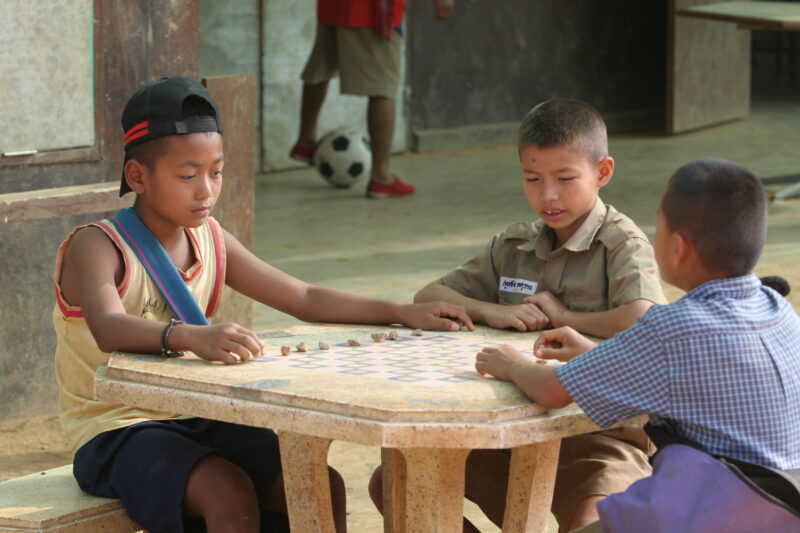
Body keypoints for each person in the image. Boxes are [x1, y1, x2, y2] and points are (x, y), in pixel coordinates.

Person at [53, 76, 473, 533]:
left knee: (315, 484)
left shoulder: (211, 239)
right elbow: (109, 327)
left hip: (197, 414)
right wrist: (194, 336)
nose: (206, 190)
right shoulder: (97, 245)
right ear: (138, 176)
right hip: (115, 430)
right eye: (187, 175)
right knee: (226, 491)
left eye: (216, 172)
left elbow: (305, 298)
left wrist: (400, 311)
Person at [368, 98, 667, 531]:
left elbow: (642, 318)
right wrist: (493, 310)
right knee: (401, 485)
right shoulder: (515, 245)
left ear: (602, 173)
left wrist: (567, 317)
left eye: (565, 179)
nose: (547, 195)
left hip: (598, 435)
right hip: (506, 431)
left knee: (598, 522)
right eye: (532, 178)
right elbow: (429, 293)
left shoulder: (620, 243)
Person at [476, 158, 800, 532]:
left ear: (678, 247)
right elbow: (686, 374)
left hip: (710, 510)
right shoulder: (778, 308)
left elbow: (551, 390)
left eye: (659, 225)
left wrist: (512, 364)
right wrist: (595, 355)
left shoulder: (672, 327)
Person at [289, 0, 455, 198]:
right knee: (383, 86)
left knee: (322, 64)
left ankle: (305, 141)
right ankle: (381, 176)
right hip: (374, 9)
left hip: (332, 6)